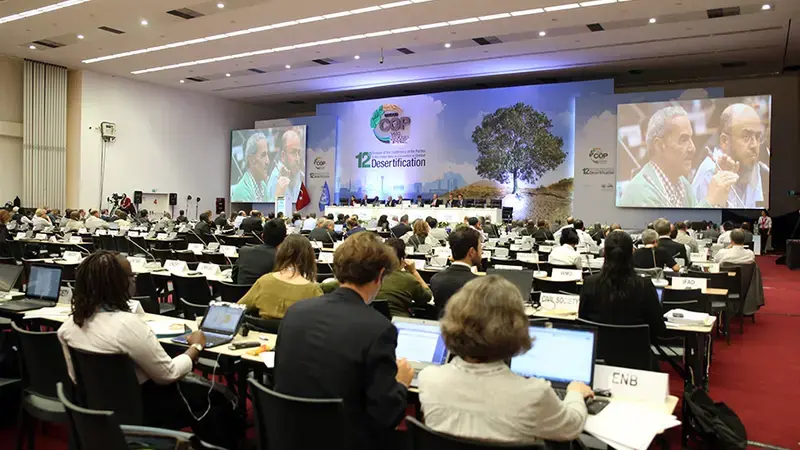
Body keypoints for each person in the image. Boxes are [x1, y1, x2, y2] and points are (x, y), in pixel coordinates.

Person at [57, 251, 241, 448]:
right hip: (144, 408)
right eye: (131, 276)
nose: (135, 279)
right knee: (218, 398)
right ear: (117, 283)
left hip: (99, 411)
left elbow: (76, 378)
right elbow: (167, 374)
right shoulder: (127, 324)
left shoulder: (68, 327)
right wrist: (196, 347)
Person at [273, 232, 412, 450]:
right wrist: (401, 383)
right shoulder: (379, 329)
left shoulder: (296, 311)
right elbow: (384, 416)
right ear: (380, 275)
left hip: (286, 434)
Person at [419, 276, 590, 443]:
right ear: (517, 326)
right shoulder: (534, 394)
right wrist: (576, 393)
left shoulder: (429, 379)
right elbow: (572, 427)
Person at [619, 106, 737, 207]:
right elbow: (670, 233)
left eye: (691, 138)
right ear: (660, 145)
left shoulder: (682, 183)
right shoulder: (642, 193)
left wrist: (721, 191)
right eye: (683, 140)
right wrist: (710, 201)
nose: (693, 148)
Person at [579, 231, 666, 343]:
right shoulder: (645, 286)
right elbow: (659, 329)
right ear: (632, 252)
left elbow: (582, 321)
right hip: (637, 356)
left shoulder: (589, 283)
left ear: (604, 253)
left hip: (597, 354)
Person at [693, 103, 769, 208]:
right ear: (725, 141)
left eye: (757, 137)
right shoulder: (710, 172)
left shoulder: (752, 165)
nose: (754, 145)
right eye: (746, 136)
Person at [238, 235, 323, 319]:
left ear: (280, 253)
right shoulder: (313, 291)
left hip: (260, 332)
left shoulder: (264, 281)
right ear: (309, 257)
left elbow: (238, 308)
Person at [430, 228, 481, 314]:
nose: (482, 252)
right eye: (480, 248)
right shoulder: (479, 285)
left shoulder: (435, 279)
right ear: (472, 252)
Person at [379, 238, 433, 317]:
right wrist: (414, 271)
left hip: (374, 323)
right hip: (399, 323)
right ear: (402, 259)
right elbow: (428, 297)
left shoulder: (372, 277)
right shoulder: (408, 279)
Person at [235, 219, 286, 284]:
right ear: (284, 240)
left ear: (262, 236)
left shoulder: (243, 251)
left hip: (240, 293)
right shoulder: (281, 258)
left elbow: (234, 276)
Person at [231, 132, 272, 202]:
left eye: (267, 154)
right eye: (263, 155)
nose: (268, 161)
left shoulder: (263, 185)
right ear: (252, 160)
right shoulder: (242, 192)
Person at [269, 129, 305, 201]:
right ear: (283, 156)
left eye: (299, 152)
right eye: (293, 152)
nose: (297, 158)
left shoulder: (299, 174)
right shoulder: (276, 179)